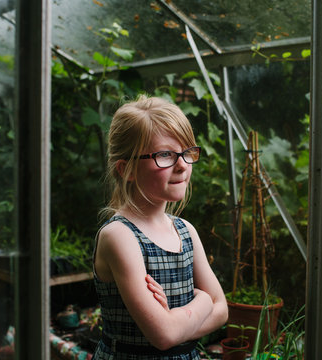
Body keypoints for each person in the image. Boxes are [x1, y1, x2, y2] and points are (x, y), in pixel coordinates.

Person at [92, 95, 228, 359]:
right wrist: (201, 302)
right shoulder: (119, 235)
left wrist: (177, 322)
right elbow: (163, 336)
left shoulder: (185, 231)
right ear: (126, 169)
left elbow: (222, 310)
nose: (182, 165)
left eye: (186, 153)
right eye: (165, 155)